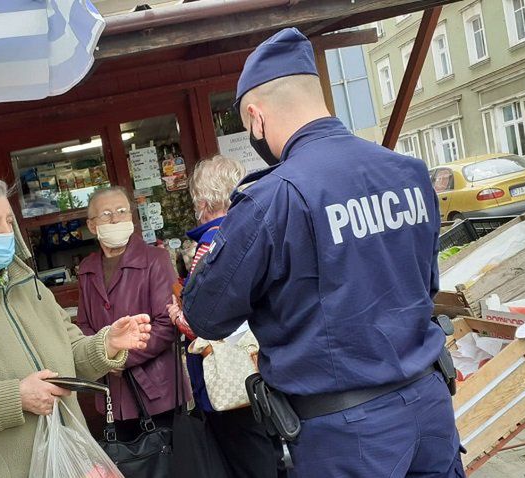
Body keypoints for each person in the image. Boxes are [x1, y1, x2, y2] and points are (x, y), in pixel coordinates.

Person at [182, 28, 464, 477]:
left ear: (256, 116)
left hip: (346, 434)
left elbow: (206, 315)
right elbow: (424, 283)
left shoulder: (271, 198)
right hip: (428, 410)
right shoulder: (408, 173)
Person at [0, 176, 152, 478]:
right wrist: (15, 397)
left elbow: (69, 356)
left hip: (70, 464)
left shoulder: (30, 287)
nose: (5, 232)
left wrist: (106, 344)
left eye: (8, 221)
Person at [167, 155, 280, 478]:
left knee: (247, 458)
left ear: (202, 201)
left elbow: (203, 320)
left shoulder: (210, 245)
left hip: (231, 376)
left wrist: (176, 314)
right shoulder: (254, 230)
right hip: (263, 362)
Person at [76, 186, 183, 440]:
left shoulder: (156, 259)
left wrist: (119, 357)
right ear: (92, 226)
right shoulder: (87, 268)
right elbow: (83, 326)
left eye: (122, 211)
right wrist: (104, 355)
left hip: (159, 390)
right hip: (113, 396)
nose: (115, 218)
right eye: (107, 214)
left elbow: (165, 324)